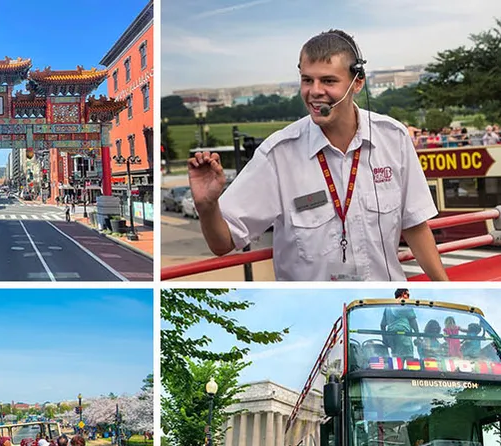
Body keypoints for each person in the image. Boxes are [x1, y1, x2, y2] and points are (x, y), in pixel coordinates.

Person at [187, 30, 446, 281]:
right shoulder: (277, 155)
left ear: (357, 82)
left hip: (380, 307)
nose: (315, 91)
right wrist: (207, 206)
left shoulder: (394, 137)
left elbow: (414, 226)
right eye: (307, 80)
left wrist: (444, 289)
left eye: (329, 81)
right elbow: (223, 243)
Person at [382, 288, 419, 357]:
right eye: (408, 295)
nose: (409, 297)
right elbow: (414, 323)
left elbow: (382, 325)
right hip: (403, 336)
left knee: (397, 360)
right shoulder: (405, 305)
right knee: (409, 358)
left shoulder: (387, 308)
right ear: (403, 294)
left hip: (391, 337)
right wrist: (418, 337)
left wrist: (384, 339)